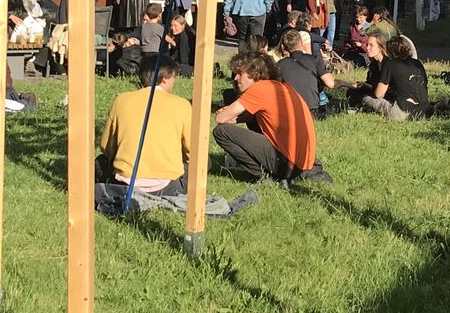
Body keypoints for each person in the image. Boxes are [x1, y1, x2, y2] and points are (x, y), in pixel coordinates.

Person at [213, 54, 319, 182]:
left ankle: (263, 175)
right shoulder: (281, 86)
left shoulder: (259, 89)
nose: (236, 78)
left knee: (221, 131)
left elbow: (220, 118)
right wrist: (235, 118)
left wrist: (227, 113)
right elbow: (248, 116)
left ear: (255, 74)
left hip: (287, 165)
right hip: (302, 163)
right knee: (253, 119)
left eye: (240, 74)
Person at [98, 55, 192, 196]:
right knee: (203, 162)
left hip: (125, 181)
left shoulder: (121, 100)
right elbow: (192, 151)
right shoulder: (182, 104)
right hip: (167, 185)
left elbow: (106, 147)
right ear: (166, 77)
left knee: (99, 162)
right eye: (174, 77)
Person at [276, 28, 335, 117]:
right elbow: (330, 83)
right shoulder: (314, 59)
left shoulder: (280, 65)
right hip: (311, 109)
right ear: (301, 43)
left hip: (289, 110)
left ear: (284, 46)